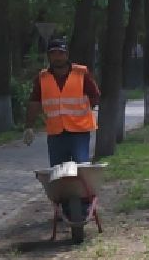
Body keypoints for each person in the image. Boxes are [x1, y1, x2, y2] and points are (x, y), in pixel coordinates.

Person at [26, 38, 100, 168]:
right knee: (58, 171)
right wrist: (29, 127)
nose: (57, 57)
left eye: (60, 53)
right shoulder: (42, 78)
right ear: (48, 56)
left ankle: (82, 189)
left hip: (79, 132)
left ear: (67, 55)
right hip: (56, 133)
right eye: (53, 53)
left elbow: (95, 97)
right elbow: (34, 102)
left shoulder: (81, 74)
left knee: (81, 168)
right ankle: (63, 189)